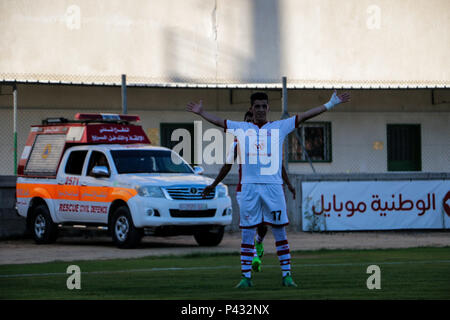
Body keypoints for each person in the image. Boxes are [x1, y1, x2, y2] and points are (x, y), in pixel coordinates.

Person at [187, 90, 350, 288]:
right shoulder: (241, 128)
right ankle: (246, 278)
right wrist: (202, 113)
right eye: (257, 106)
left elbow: (307, 115)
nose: (261, 110)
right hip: (248, 189)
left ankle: (287, 276)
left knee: (280, 232)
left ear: (268, 108)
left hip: (273, 188)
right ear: (251, 109)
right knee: (247, 234)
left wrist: (330, 104)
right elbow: (220, 122)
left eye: (264, 106)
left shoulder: (279, 127)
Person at [201, 110, 296, 273]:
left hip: (267, 189)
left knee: (263, 226)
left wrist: (288, 184)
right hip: (245, 191)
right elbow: (227, 165)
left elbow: (279, 166)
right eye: (248, 121)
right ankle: (254, 257)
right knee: (249, 227)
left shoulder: (268, 140)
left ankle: (259, 242)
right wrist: (214, 184)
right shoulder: (237, 143)